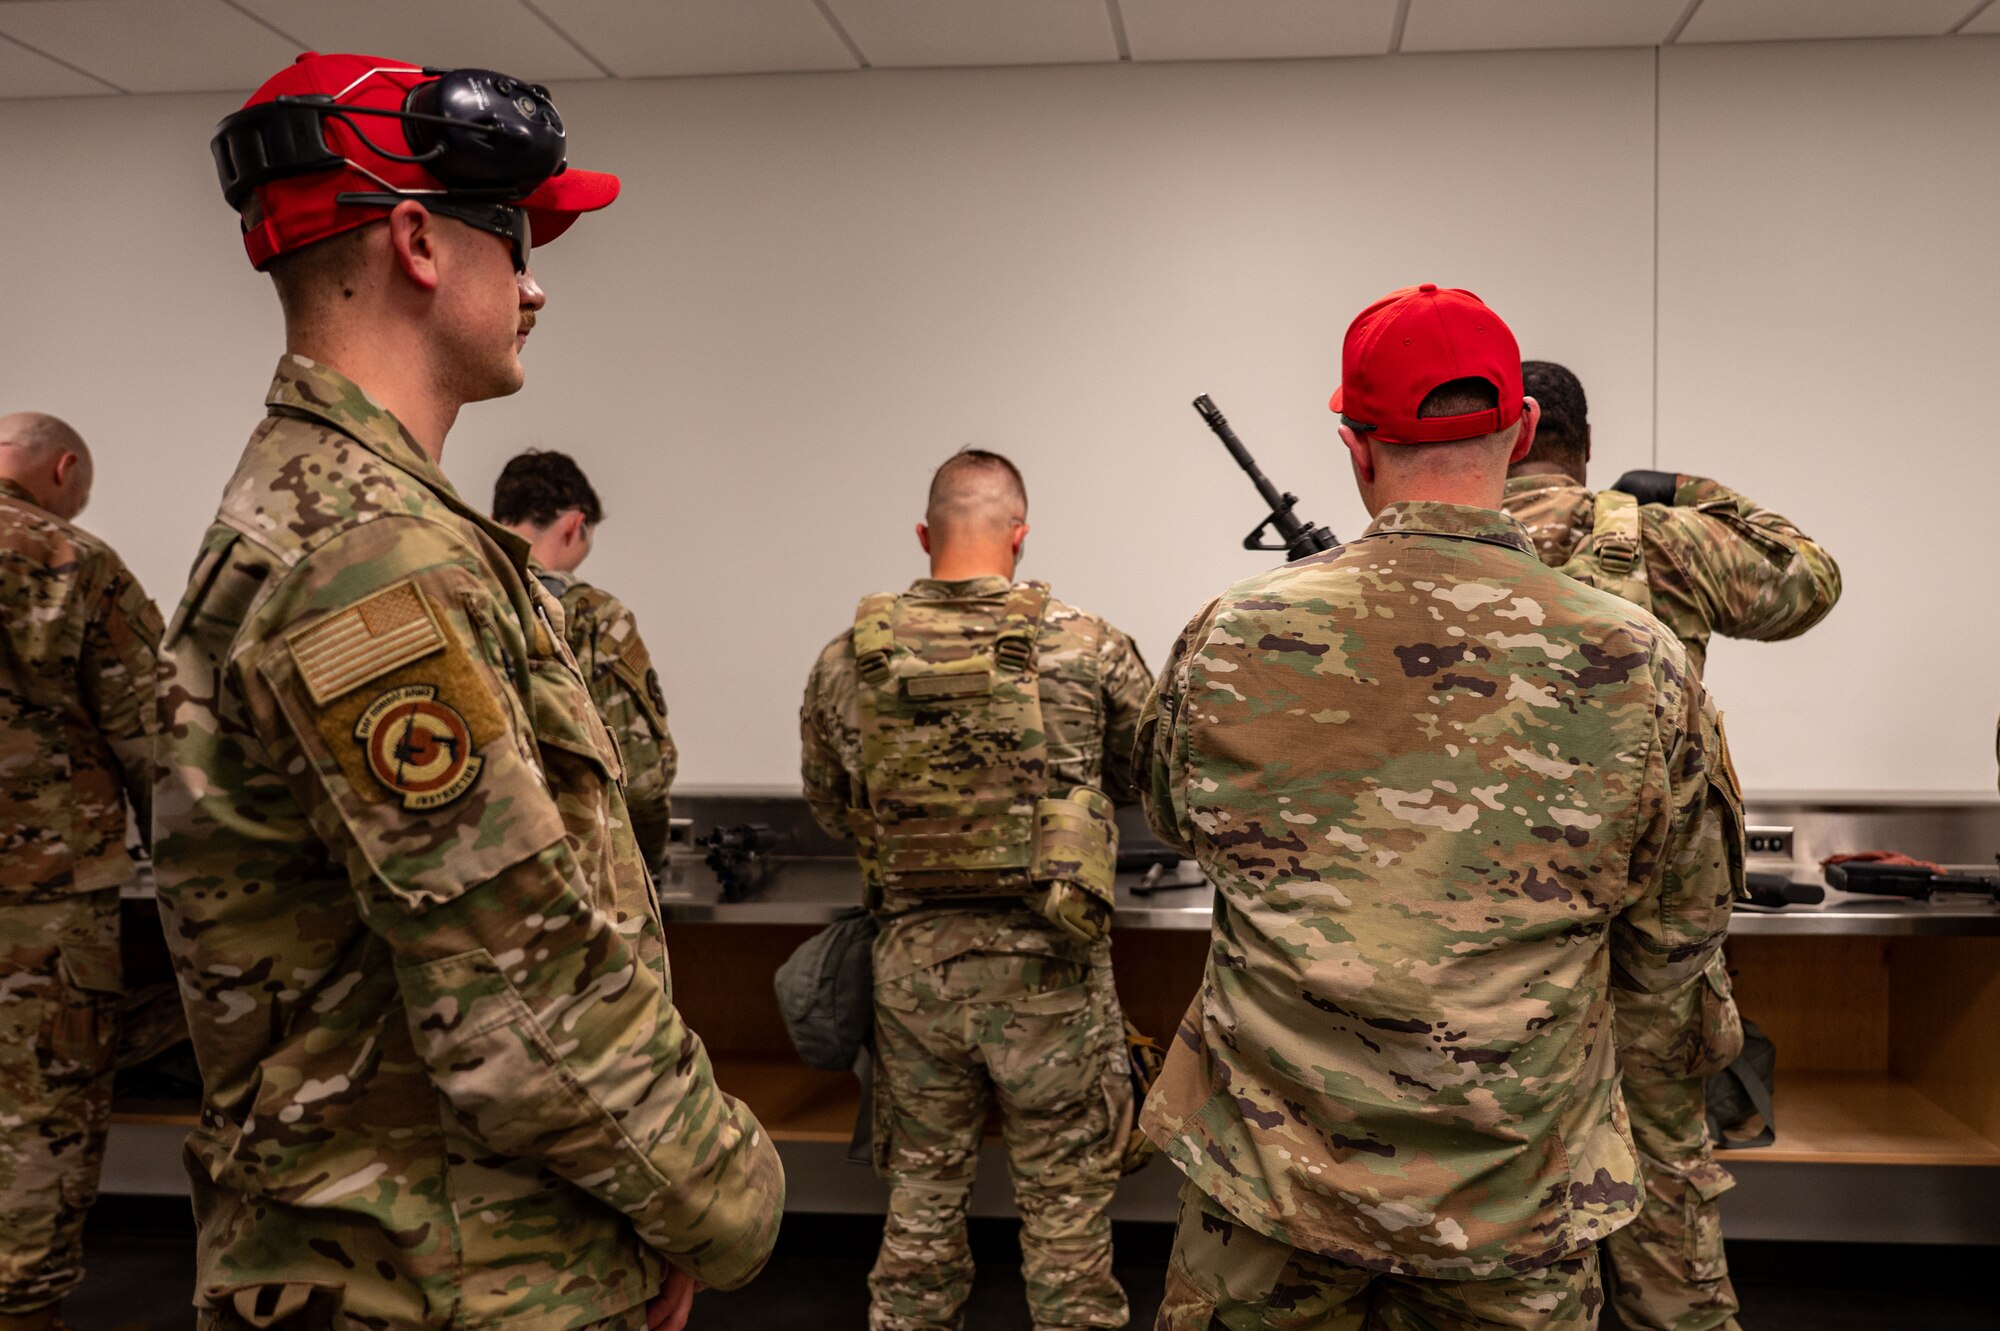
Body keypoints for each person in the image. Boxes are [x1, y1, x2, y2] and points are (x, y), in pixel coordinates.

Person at [153, 53, 781, 1331]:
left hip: (446, 1247)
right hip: (445, 1274)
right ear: (418, 242)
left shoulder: (352, 516)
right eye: (517, 239)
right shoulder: (370, 556)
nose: (536, 283)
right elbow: (523, 987)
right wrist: (723, 1202)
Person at [1139, 285, 1744, 1330]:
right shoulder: (1636, 659)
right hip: (1516, 1197)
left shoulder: (1230, 636)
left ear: (1353, 446)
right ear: (1520, 430)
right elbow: (1678, 931)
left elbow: (1173, 819)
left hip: (1271, 1199)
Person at [1503, 360, 1841, 1331]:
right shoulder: (1658, 539)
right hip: (1653, 923)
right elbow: (1809, 578)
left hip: (1496, 931)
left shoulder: (1447, 552)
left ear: (1506, 434)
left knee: (1508, 1169)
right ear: (1582, 445)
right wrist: (1688, 489)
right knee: (1660, 1159)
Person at [799, 448, 1153, 1331]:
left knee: (920, 1202)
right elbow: (1145, 776)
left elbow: (832, 806)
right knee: (1067, 1213)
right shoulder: (1087, 643)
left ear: (925, 535)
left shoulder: (849, 658)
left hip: (913, 970)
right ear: (1019, 536)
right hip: (1052, 966)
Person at [0, 414, 162, 1331]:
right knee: (34, 1134)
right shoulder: (73, 563)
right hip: (43, 922)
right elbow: (162, 752)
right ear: (62, 470)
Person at [494, 450, 679, 866]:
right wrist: (644, 868)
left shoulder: (457, 592)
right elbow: (641, 780)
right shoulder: (594, 617)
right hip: (577, 869)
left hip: (480, 865)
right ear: (575, 525)